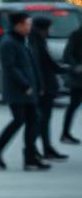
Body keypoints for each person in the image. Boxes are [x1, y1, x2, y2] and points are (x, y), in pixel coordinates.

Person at [0, 12, 49, 171]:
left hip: (26, 89)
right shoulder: (8, 42)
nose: (30, 27)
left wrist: (37, 84)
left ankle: (28, 157)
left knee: (31, 120)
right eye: (27, 24)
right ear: (19, 25)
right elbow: (10, 67)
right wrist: (25, 85)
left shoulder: (21, 40)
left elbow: (29, 65)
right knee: (21, 120)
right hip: (19, 90)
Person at [28, 17, 68, 161]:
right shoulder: (37, 43)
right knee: (42, 120)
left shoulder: (36, 41)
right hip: (45, 87)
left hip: (45, 86)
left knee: (42, 120)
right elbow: (45, 65)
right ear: (44, 28)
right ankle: (34, 149)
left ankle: (42, 148)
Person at [62, 24, 82, 145]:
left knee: (74, 105)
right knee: (74, 104)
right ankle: (65, 133)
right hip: (78, 78)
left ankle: (66, 133)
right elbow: (67, 55)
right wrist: (77, 66)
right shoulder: (76, 35)